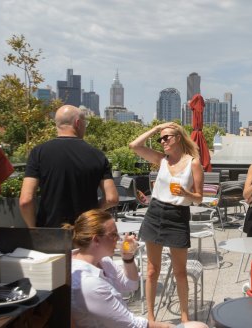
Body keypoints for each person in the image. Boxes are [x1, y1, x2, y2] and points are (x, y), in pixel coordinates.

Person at [67, 209, 207, 328]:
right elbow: (133, 325)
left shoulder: (101, 260)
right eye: (113, 234)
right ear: (96, 240)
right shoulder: (88, 283)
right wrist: (172, 327)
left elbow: (130, 285)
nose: (119, 238)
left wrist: (127, 257)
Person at [129, 122, 204, 323]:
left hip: (178, 215)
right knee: (152, 270)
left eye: (167, 137)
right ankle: (151, 317)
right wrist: (156, 129)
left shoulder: (193, 163)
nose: (163, 141)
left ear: (178, 137)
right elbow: (134, 145)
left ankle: (185, 317)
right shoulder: (162, 160)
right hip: (155, 213)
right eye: (161, 138)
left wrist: (186, 193)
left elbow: (198, 198)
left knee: (180, 271)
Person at [19, 105, 118, 228]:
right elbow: (111, 198)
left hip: (49, 232)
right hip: (86, 231)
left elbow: (25, 201)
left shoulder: (38, 153)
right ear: (78, 123)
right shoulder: (98, 155)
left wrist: (33, 229)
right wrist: (92, 213)